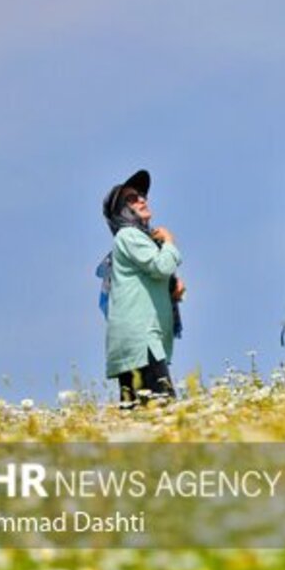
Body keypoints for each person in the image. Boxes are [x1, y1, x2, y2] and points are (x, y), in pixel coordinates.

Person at [101, 170, 185, 409]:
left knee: (138, 415)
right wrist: (169, 242)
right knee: (164, 412)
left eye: (142, 196)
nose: (141, 200)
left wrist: (172, 292)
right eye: (132, 199)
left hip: (133, 343)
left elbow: (150, 279)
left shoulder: (136, 240)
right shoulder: (129, 235)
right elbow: (161, 266)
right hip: (141, 341)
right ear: (122, 211)